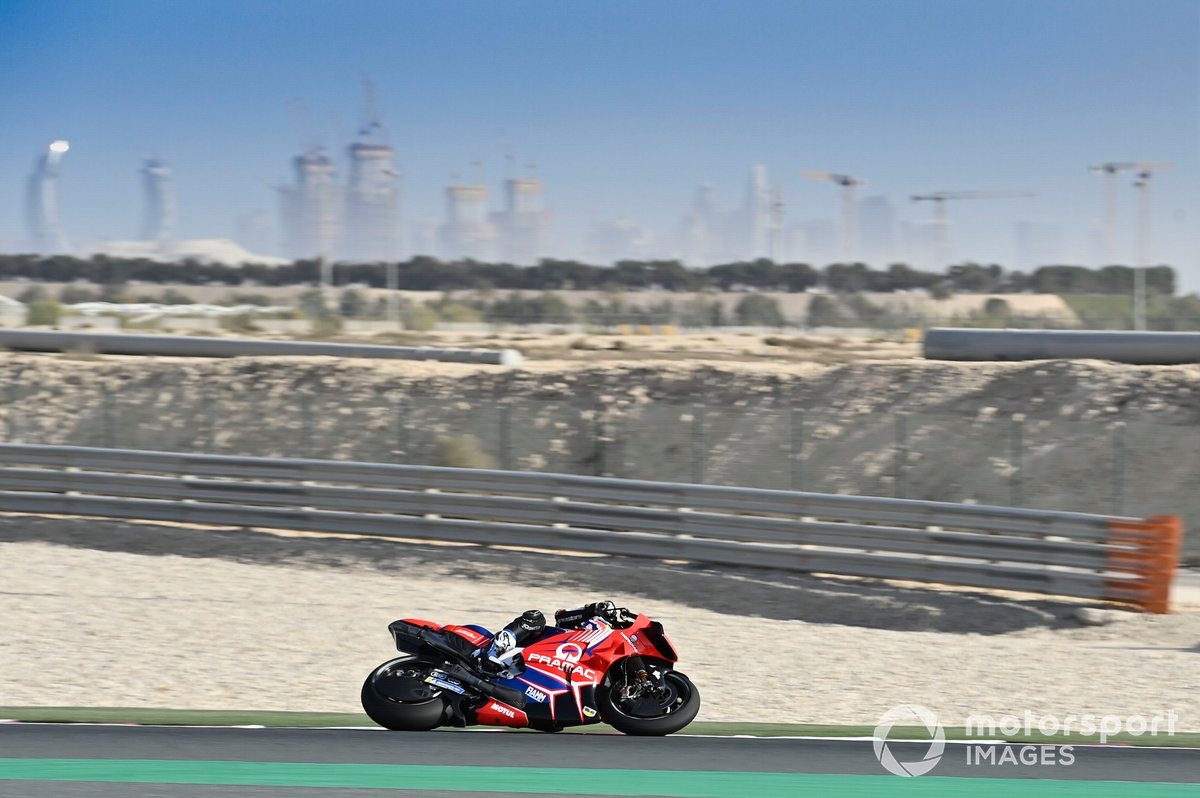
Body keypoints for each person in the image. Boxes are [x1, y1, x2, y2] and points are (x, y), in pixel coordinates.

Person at [483, 601, 617, 670]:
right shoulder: (593, 625)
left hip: (555, 673)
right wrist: (592, 609)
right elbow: (561, 616)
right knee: (535, 617)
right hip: (540, 646)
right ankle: (493, 651)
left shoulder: (608, 653)